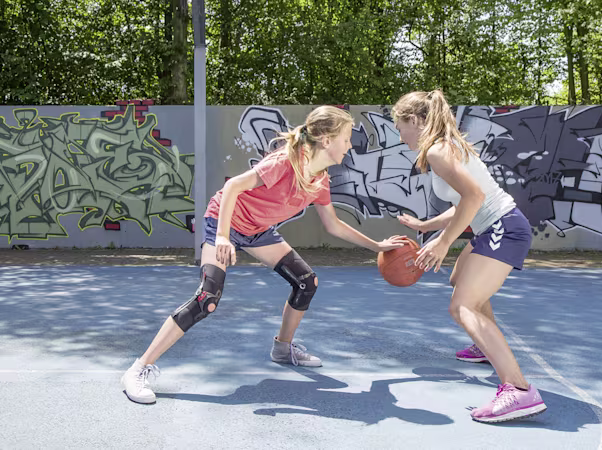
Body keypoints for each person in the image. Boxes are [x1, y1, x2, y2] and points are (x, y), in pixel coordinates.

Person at [121, 106, 405, 404]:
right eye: (346, 138)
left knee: (307, 282)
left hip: (257, 231)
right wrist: (221, 235)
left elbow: (333, 225)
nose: (350, 144)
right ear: (326, 139)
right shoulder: (285, 162)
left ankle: (283, 348)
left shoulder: (320, 179)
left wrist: (377, 246)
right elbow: (232, 186)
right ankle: (138, 368)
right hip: (224, 221)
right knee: (208, 299)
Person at [392, 90, 546, 423]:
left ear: (415, 120)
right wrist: (426, 225)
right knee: (459, 280)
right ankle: (485, 341)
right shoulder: (444, 146)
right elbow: (464, 201)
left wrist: (443, 242)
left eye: (399, 125)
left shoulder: (436, 151)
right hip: (495, 227)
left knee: (462, 306)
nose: (399, 134)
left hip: (503, 228)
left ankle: (519, 390)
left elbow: (474, 197)